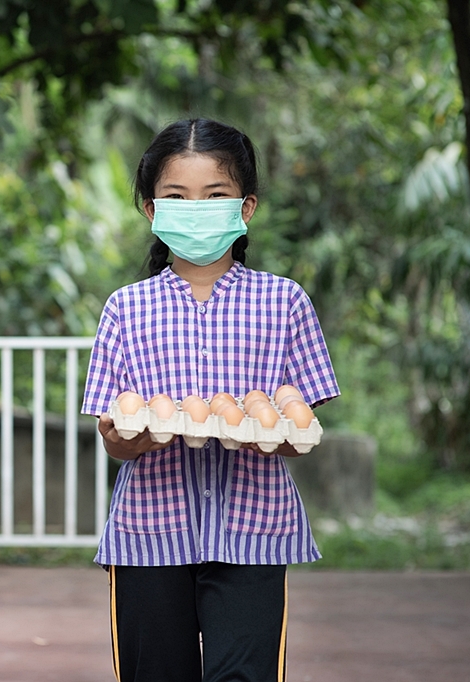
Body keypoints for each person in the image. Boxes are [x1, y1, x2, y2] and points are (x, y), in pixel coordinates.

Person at [81, 118, 339, 682]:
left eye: (214, 195)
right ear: (152, 211)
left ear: (245, 208)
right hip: (148, 535)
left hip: (254, 532)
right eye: (177, 196)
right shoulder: (126, 309)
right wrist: (134, 433)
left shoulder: (284, 303)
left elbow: (300, 427)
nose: (196, 207)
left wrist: (274, 434)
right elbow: (112, 435)